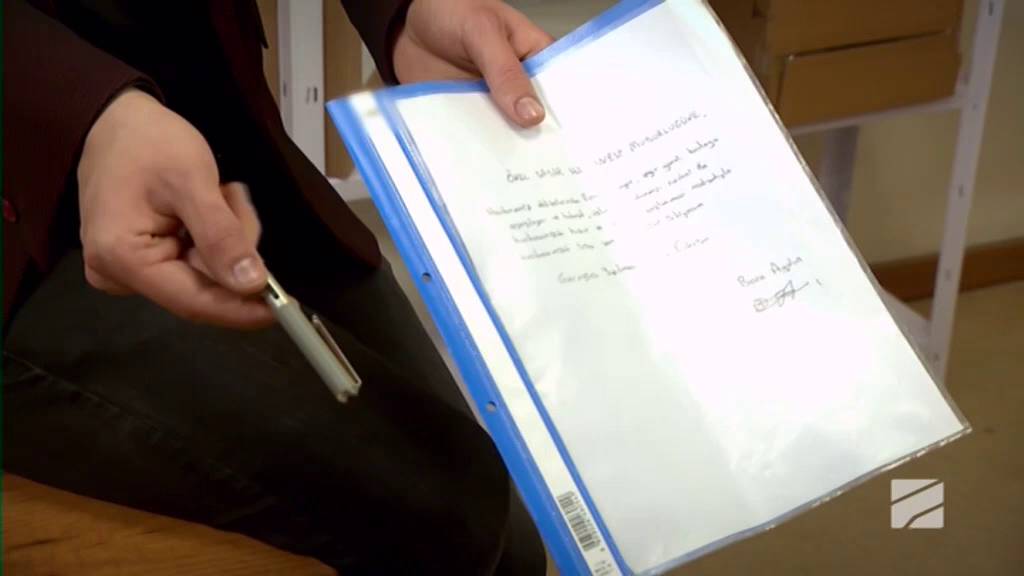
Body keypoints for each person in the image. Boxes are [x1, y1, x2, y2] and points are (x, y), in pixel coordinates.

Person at [3, 1, 555, 573]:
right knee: (450, 518)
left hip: (231, 143)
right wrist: (82, 110)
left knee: (504, 519)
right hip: (31, 235)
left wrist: (402, 11)